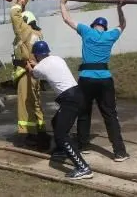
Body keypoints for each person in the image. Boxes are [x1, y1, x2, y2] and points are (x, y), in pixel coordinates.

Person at [60, 0, 130, 162]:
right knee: (110, 115)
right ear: (104, 28)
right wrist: (120, 8)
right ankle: (119, 152)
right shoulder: (110, 35)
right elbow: (123, 25)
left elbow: (67, 19)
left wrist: (62, 3)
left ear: (94, 26)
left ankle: (83, 145)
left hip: (86, 79)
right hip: (105, 80)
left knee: (83, 112)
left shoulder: (86, 31)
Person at [26, 40, 93, 180]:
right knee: (56, 122)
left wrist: (29, 68)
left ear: (37, 55)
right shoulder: (57, 58)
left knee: (60, 135)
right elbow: (49, 68)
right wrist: (37, 65)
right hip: (78, 94)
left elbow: (34, 75)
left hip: (69, 100)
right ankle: (62, 150)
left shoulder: (39, 67)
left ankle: (83, 168)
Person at [10, 0, 50, 150]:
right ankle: (40, 133)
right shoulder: (37, 33)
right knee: (36, 104)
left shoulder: (24, 31)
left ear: (24, 22)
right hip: (35, 73)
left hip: (26, 73)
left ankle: (31, 136)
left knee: (26, 105)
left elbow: (14, 14)